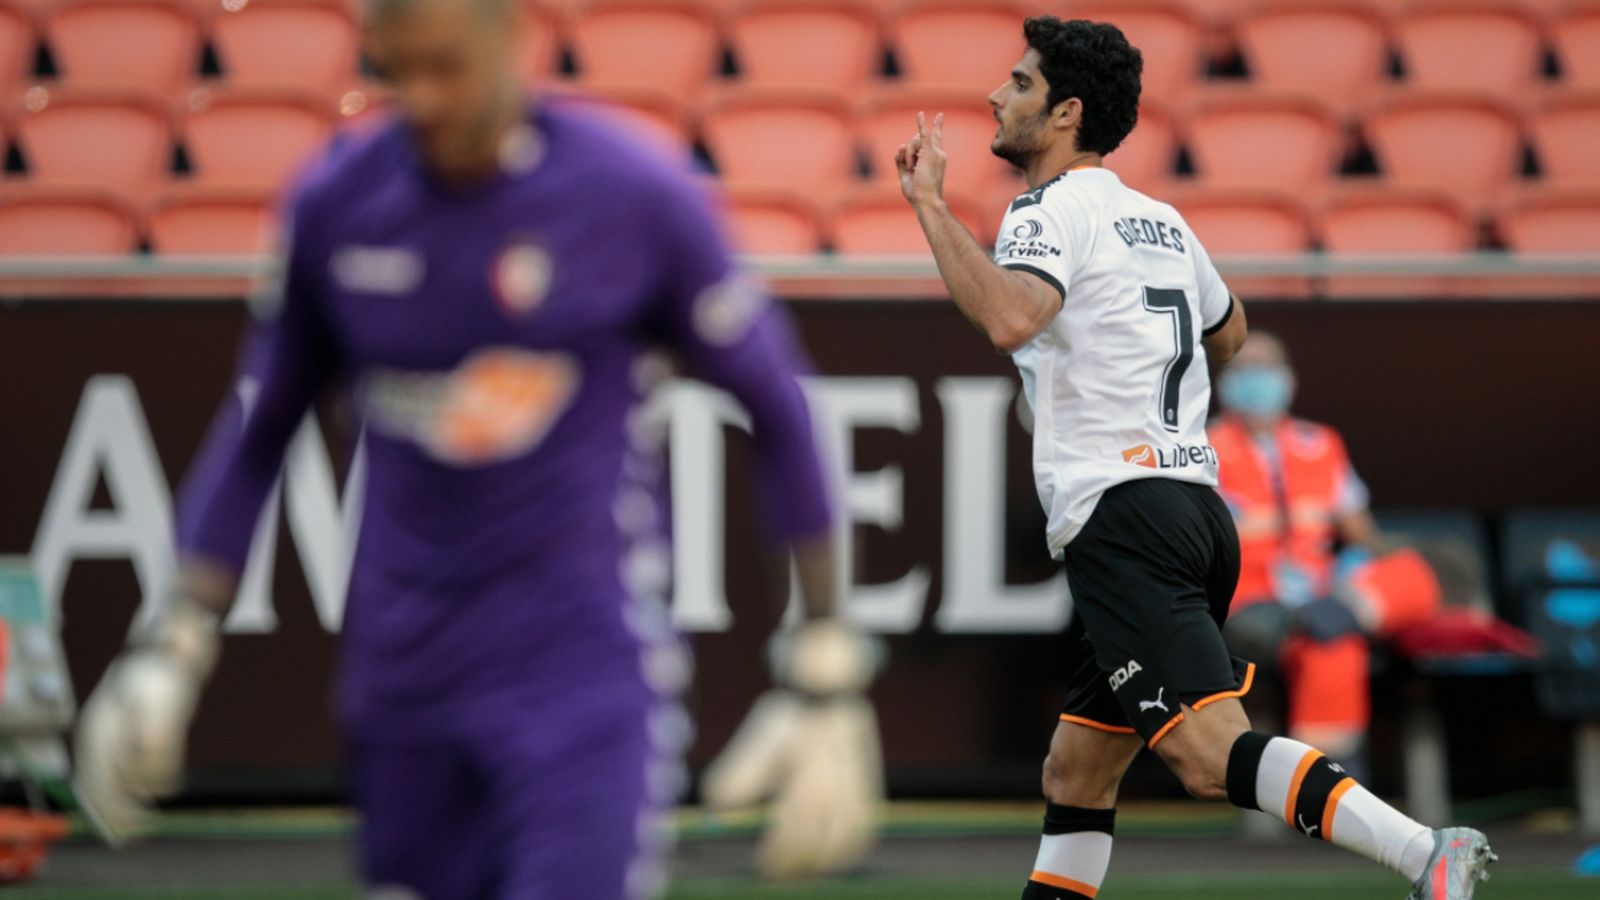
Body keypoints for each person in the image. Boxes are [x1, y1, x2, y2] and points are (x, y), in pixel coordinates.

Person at [70, 0, 875, 896]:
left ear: (512, 40)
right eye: (396, 71)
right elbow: (260, 430)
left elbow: (779, 406)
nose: (421, 98)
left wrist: (825, 665)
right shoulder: (339, 204)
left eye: (445, 67)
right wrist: (174, 642)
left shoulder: (630, 196)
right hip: (402, 689)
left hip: (579, 681)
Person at [896, 15, 1493, 900]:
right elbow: (1231, 331)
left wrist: (932, 209)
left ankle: (1424, 852)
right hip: (1195, 511)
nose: (996, 95)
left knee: (1210, 758)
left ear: (1066, 113)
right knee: (1076, 772)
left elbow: (1012, 317)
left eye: (1019, 83)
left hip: (1124, 515)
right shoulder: (1161, 221)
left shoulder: (1047, 211)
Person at [1211, 331, 1438, 781]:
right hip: (1254, 604)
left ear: (1289, 378)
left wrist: (1364, 565)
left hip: (1320, 591)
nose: (1256, 377)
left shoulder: (1321, 443)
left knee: (1411, 572)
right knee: (1334, 640)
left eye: (1266, 366)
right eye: (1244, 368)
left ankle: (1321, 779)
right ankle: (1332, 781)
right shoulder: (1201, 447)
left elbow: (1362, 534)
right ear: (1224, 381)